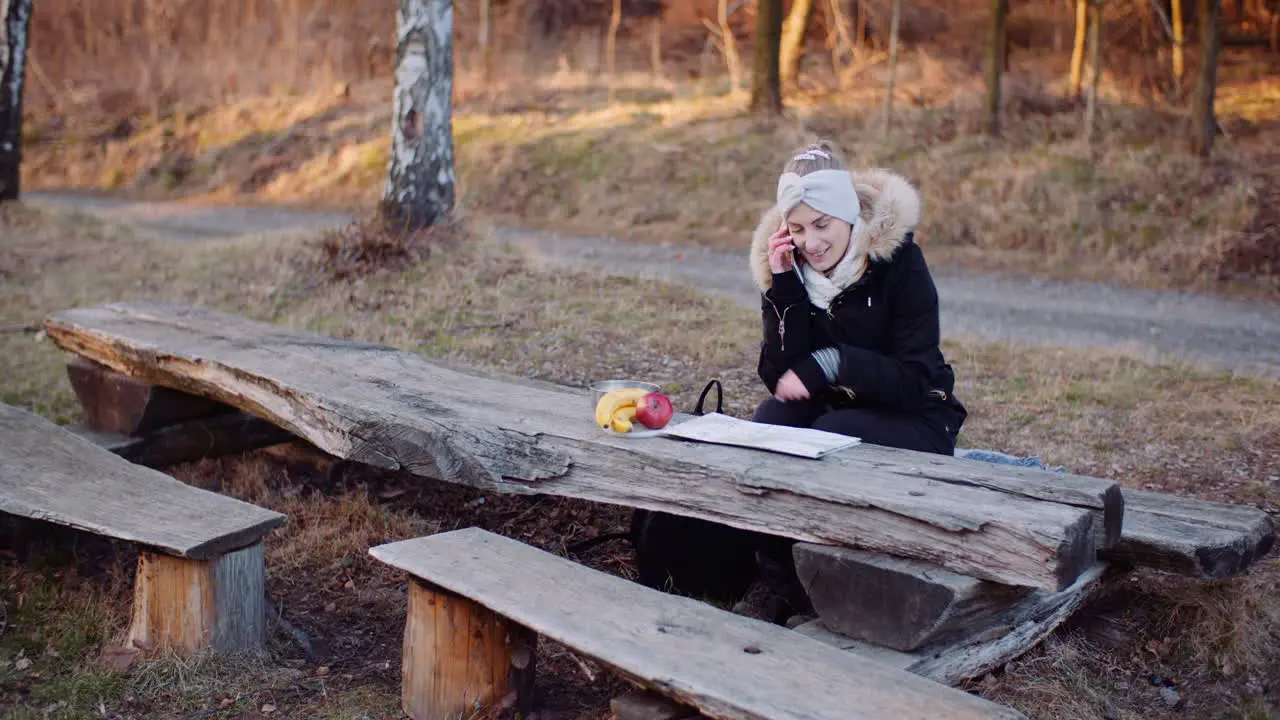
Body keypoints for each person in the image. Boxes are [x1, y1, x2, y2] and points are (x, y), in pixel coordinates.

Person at [631, 142, 966, 624]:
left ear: (850, 216)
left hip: (919, 419)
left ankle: (845, 582)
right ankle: (781, 579)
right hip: (838, 411)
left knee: (834, 437)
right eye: (799, 228)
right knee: (772, 423)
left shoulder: (901, 266)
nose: (812, 242)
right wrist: (784, 288)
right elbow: (778, 379)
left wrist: (833, 362)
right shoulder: (794, 269)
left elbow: (915, 380)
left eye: (823, 224)